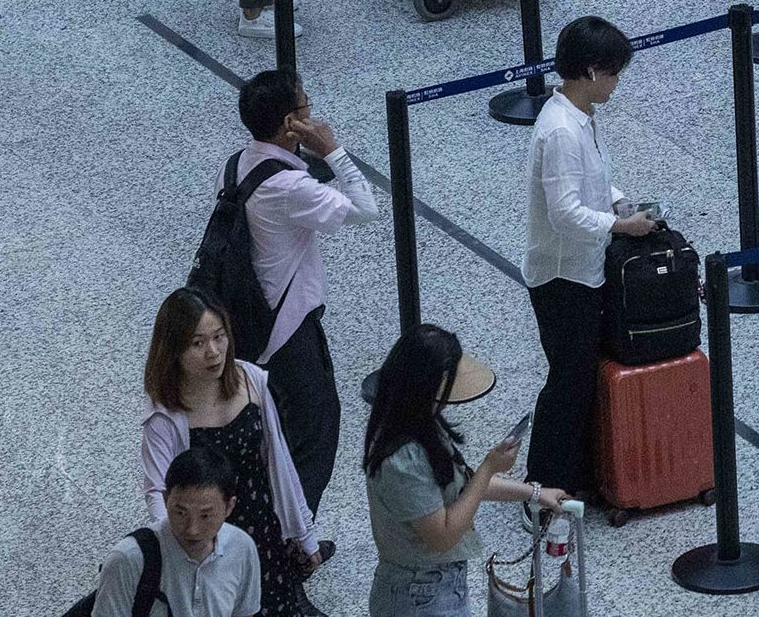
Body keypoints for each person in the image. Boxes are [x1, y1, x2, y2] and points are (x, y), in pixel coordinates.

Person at [525, 16, 663, 496]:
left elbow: (592, 183)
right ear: (588, 71)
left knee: (580, 379)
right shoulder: (562, 131)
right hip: (564, 277)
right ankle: (544, 485)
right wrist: (621, 225)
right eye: (613, 73)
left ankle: (576, 475)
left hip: (581, 268)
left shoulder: (577, 118)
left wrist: (619, 201)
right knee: (567, 382)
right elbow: (565, 214)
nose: (616, 82)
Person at [236, 68, 384, 513]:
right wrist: (333, 150)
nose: (312, 113)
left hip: (251, 315)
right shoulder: (289, 187)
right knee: (315, 431)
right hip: (287, 329)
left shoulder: (241, 163)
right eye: (306, 107)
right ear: (290, 124)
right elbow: (365, 208)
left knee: (277, 431)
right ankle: (292, 543)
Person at [141, 287, 325, 617]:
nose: (213, 352)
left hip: (263, 531)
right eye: (197, 343)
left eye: (219, 337)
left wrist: (303, 534)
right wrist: (184, 548)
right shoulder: (165, 416)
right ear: (174, 350)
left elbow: (278, 461)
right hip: (210, 541)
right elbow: (158, 490)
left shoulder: (250, 379)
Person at [362, 325, 565, 617]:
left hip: (436, 586)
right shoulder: (402, 460)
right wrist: (488, 467)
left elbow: (463, 485)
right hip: (418, 596)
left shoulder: (421, 424)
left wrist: (535, 492)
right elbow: (443, 536)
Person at [94, 447, 260, 617]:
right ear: (166, 499)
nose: (192, 529)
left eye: (205, 515)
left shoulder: (242, 547)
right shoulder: (128, 559)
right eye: (180, 513)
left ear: (229, 507)